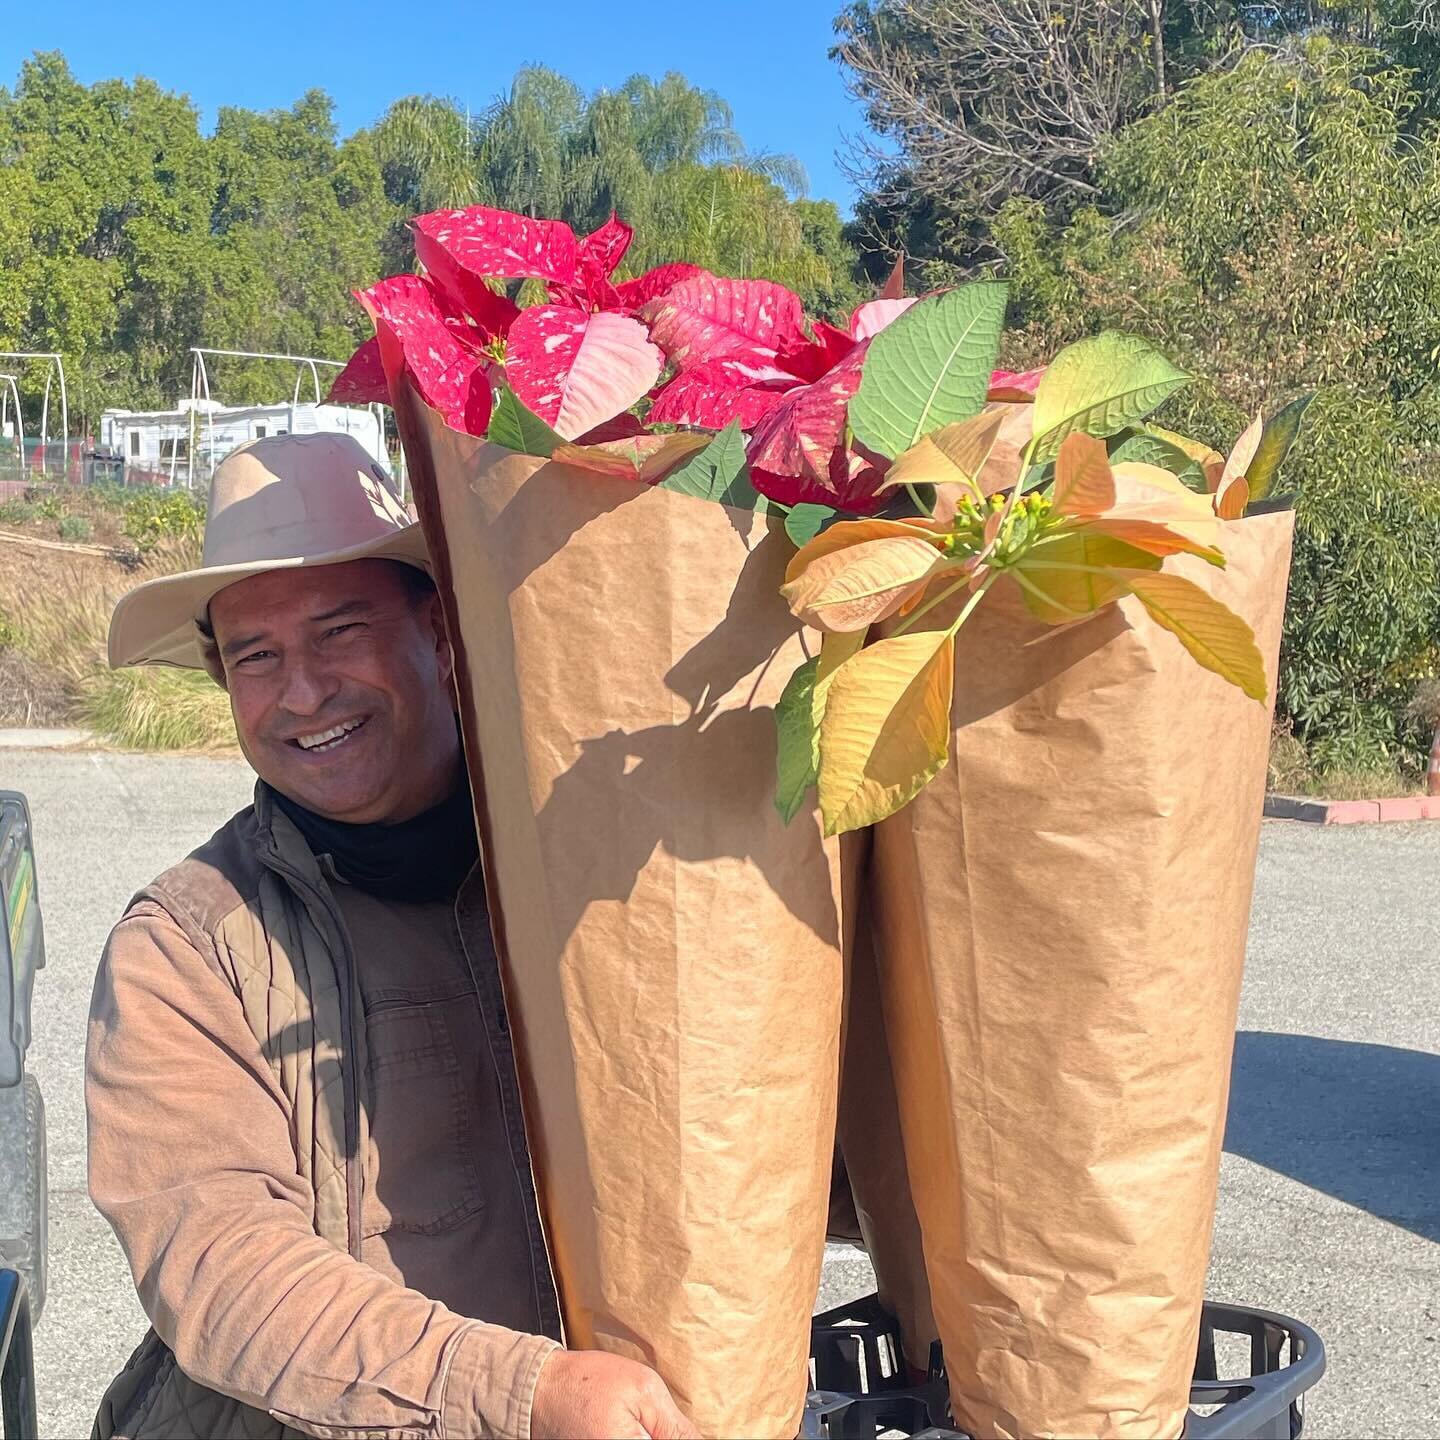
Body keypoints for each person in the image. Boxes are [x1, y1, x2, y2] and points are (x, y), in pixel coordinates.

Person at [88, 434, 696, 1440]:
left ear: (442, 632)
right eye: (257, 658)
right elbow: (224, 1271)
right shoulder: (186, 945)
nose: (302, 692)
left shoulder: (604, 879)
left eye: (338, 632)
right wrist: (523, 1393)